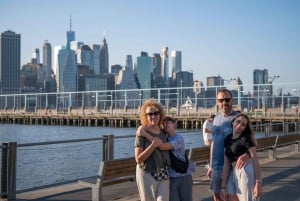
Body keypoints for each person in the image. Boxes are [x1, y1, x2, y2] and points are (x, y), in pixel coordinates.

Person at [207, 89, 257, 201]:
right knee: (217, 197)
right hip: (216, 167)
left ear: (232, 100)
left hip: (231, 166)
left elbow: (252, 142)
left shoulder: (239, 119)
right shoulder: (216, 119)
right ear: (217, 102)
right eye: (221, 100)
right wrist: (210, 165)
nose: (224, 102)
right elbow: (213, 143)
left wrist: (248, 154)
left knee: (232, 197)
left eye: (227, 99)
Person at [138, 116, 196, 201]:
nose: (165, 125)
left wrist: (145, 134)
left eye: (167, 123)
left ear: (174, 124)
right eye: (163, 124)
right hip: (171, 177)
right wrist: (142, 128)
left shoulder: (179, 139)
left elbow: (162, 146)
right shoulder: (164, 138)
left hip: (183, 176)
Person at [134, 99, 171, 201]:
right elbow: (138, 159)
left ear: (160, 114)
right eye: (150, 114)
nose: (153, 116)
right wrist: (153, 145)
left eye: (156, 113)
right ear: (145, 116)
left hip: (164, 173)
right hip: (147, 173)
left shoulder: (163, 131)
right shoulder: (141, 133)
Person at [221, 113, 263, 201]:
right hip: (233, 172)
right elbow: (226, 164)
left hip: (245, 170)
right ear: (233, 122)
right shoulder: (227, 139)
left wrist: (258, 183)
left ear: (244, 128)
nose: (239, 125)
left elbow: (255, 161)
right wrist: (223, 186)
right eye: (238, 121)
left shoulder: (245, 139)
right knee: (230, 197)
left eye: (243, 124)